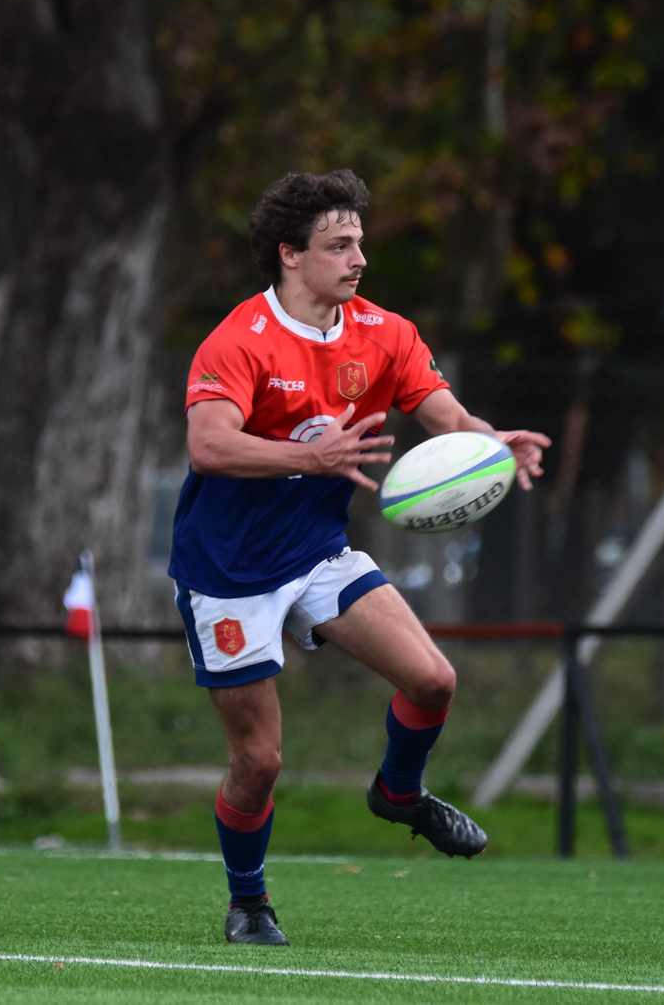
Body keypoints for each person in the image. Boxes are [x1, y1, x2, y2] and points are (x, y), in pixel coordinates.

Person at [170, 170, 550, 946]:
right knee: (261, 762)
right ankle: (249, 901)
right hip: (228, 570)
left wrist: (488, 443)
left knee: (434, 677)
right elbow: (207, 444)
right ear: (289, 255)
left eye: (360, 242)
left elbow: (446, 415)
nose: (358, 258)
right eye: (339, 244)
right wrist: (306, 460)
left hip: (317, 551)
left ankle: (398, 791)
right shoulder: (239, 339)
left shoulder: (387, 333)